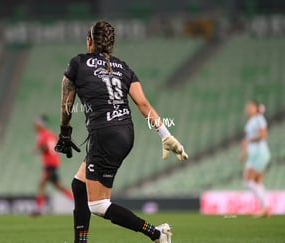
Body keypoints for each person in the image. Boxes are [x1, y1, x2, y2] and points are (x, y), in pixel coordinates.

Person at [54, 20, 188, 243]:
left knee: (98, 205)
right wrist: (166, 135)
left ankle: (156, 234)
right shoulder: (123, 68)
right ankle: (81, 241)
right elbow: (143, 104)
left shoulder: (78, 63)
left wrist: (65, 132)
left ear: (89, 41)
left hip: (104, 134)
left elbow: (66, 104)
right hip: (126, 133)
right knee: (79, 184)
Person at [32, 114, 74, 216]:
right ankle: (38, 209)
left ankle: (77, 202)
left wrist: (37, 150)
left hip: (50, 163)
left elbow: (46, 147)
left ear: (40, 125)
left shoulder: (42, 135)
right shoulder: (50, 134)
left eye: (36, 124)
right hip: (53, 163)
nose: (34, 126)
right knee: (47, 184)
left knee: (52, 185)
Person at [240, 99, 271, 217]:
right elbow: (248, 140)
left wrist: (249, 140)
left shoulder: (259, 118)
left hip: (260, 154)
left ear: (256, 108)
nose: (247, 108)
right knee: (257, 182)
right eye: (247, 106)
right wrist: (243, 152)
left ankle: (266, 206)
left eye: (250, 106)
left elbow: (263, 135)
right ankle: (266, 208)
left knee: (248, 181)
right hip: (255, 154)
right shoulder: (251, 121)